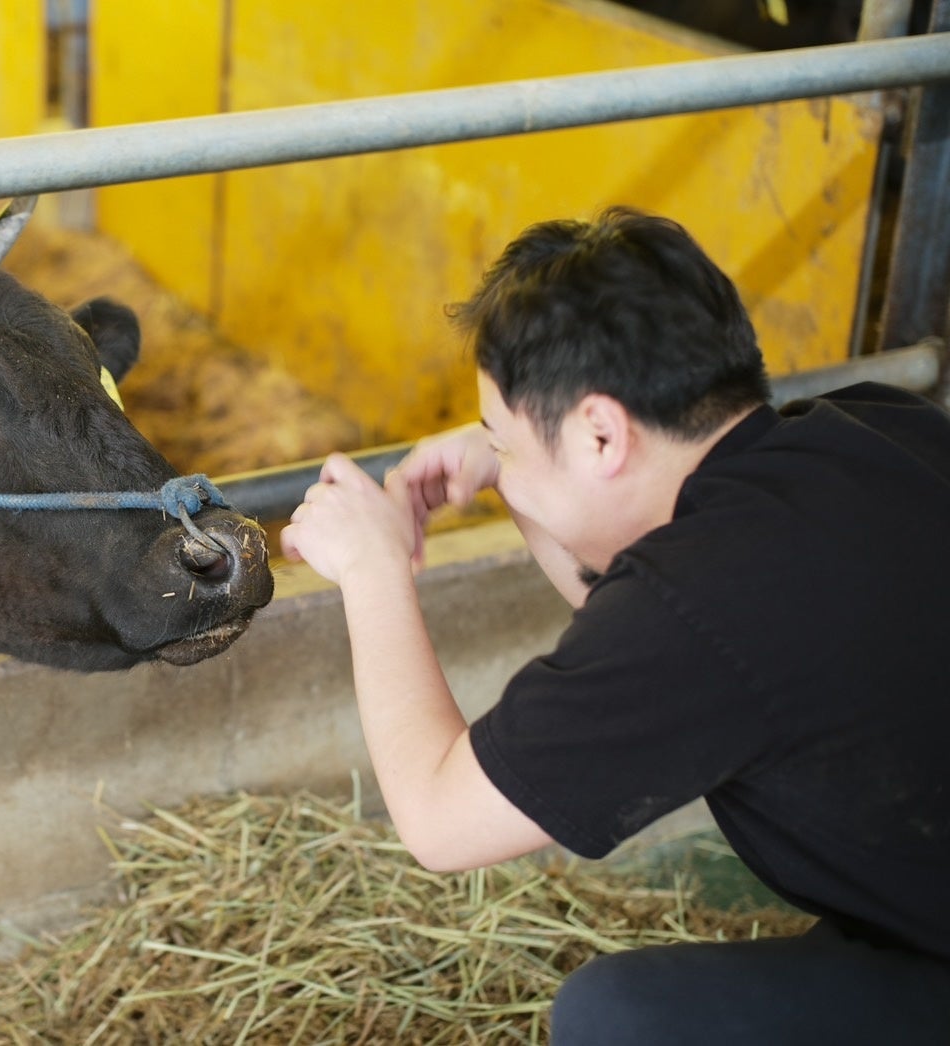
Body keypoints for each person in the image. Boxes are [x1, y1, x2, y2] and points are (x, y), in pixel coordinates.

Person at [280, 206, 950, 1044]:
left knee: (623, 1020)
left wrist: (373, 572)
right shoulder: (874, 425)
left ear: (601, 431)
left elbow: (439, 820)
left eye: (507, 439)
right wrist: (514, 471)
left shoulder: (704, 603)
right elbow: (637, 623)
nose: (503, 467)